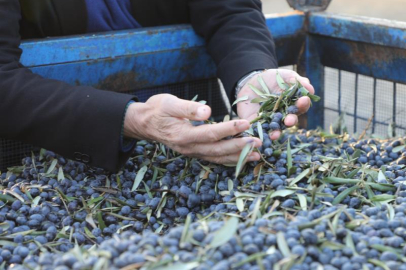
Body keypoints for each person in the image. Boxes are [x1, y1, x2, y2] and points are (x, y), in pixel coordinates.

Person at [0, 0, 314, 172]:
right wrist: (132, 118)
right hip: (45, 156)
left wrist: (251, 76)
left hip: (199, 148)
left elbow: (230, 11)